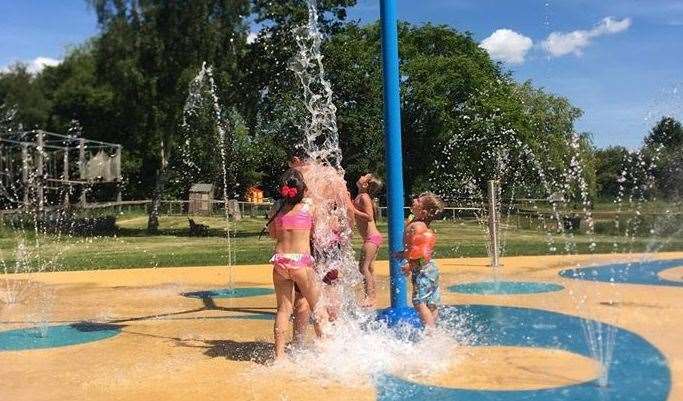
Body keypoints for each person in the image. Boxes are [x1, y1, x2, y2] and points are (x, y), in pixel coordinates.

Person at [267, 168, 326, 360]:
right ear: (303, 190)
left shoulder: (276, 209)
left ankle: (279, 356)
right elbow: (318, 231)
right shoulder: (309, 207)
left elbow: (273, 234)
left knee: (283, 309)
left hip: (281, 261)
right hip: (301, 263)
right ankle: (326, 349)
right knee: (317, 306)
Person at [396, 192, 444, 327]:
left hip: (421, 269)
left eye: (418, 200)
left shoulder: (415, 227)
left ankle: (430, 333)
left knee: (419, 302)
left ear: (423, 212)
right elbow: (419, 248)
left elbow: (415, 252)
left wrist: (409, 266)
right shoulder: (422, 226)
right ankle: (434, 329)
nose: (414, 199)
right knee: (431, 302)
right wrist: (402, 254)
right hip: (431, 268)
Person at [349, 174, 384, 307]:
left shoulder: (364, 197)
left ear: (365, 185)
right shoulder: (360, 197)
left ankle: (369, 296)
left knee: (363, 268)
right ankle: (372, 296)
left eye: (365, 176)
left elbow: (369, 217)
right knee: (369, 268)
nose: (361, 176)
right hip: (372, 238)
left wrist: (352, 209)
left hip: (371, 238)